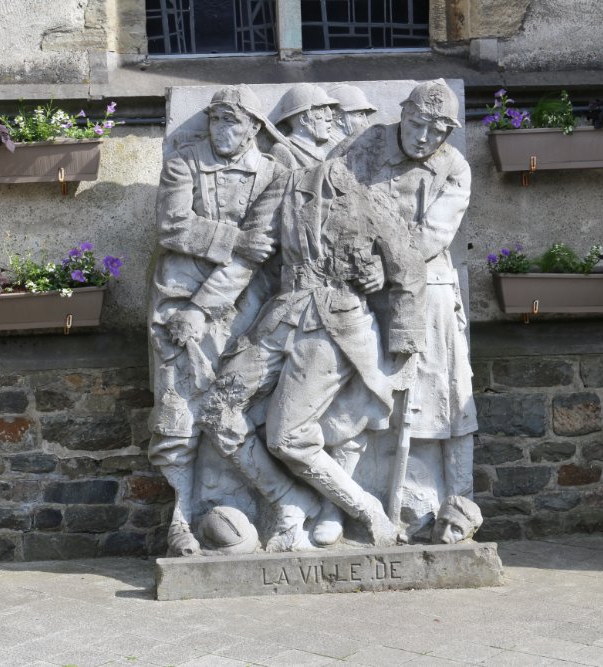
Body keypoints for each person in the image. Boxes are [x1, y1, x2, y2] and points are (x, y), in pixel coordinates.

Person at [184, 148, 427, 549]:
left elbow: (409, 269)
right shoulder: (288, 185)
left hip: (335, 325)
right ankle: (289, 498)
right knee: (216, 410)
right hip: (280, 316)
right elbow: (249, 256)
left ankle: (366, 509)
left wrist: (405, 343)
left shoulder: (371, 198)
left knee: (287, 437)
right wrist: (199, 309)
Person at [148, 84, 319, 556]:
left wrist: (209, 302)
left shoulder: (274, 171)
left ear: (253, 129)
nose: (223, 131)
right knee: (178, 406)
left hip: (247, 301)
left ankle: (278, 505)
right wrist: (233, 239)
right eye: (216, 120)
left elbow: (266, 243)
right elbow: (172, 226)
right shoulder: (184, 160)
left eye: (234, 121)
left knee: (235, 408)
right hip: (178, 296)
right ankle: (182, 514)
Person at [348, 80, 478, 540]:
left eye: (437, 131)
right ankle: (358, 500)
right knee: (367, 394)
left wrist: (386, 268)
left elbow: (433, 234)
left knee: (440, 394)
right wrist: (361, 262)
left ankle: (452, 503)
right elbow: (340, 202)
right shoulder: (367, 146)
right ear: (402, 114)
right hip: (364, 282)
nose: (424, 138)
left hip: (427, 285)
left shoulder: (454, 168)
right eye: (417, 124)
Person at [269, 83, 340, 169]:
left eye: (328, 109)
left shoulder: (331, 146)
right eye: (322, 110)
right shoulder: (282, 150)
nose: (330, 117)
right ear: (304, 119)